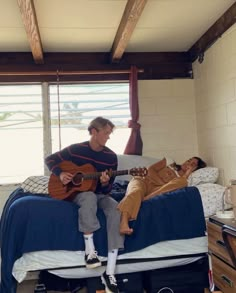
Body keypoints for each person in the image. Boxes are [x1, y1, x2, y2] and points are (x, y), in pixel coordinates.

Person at [45, 117, 124, 293]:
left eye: (110, 133)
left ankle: (110, 272)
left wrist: (104, 182)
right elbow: (50, 159)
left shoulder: (110, 157)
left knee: (116, 210)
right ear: (94, 132)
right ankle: (90, 251)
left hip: (101, 194)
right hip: (78, 193)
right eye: (106, 133)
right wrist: (60, 173)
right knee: (88, 196)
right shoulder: (75, 150)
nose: (108, 137)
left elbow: (109, 188)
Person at [118, 156, 207, 235]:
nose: (189, 163)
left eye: (193, 164)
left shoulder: (182, 180)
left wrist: (187, 173)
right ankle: (124, 222)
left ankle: (144, 199)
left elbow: (175, 185)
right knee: (136, 191)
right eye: (189, 160)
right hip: (143, 181)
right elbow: (150, 170)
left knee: (182, 182)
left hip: (155, 191)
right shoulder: (170, 162)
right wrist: (162, 183)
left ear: (194, 170)